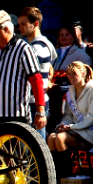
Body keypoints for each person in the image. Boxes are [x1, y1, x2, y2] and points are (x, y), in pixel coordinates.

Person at [47, 62, 93, 184]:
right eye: (69, 74)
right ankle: (55, 178)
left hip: (91, 133)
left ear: (83, 74)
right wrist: (62, 125)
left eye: (74, 74)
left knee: (60, 138)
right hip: (74, 130)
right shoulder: (69, 93)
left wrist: (71, 127)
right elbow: (68, 115)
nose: (71, 77)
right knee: (52, 137)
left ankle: (65, 176)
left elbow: (92, 118)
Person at [19, 7, 58, 139]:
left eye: (23, 24)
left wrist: (40, 111)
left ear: (35, 24)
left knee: (37, 149)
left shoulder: (37, 47)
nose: (20, 28)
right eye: (19, 25)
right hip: (35, 103)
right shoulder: (37, 44)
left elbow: (37, 81)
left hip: (35, 104)